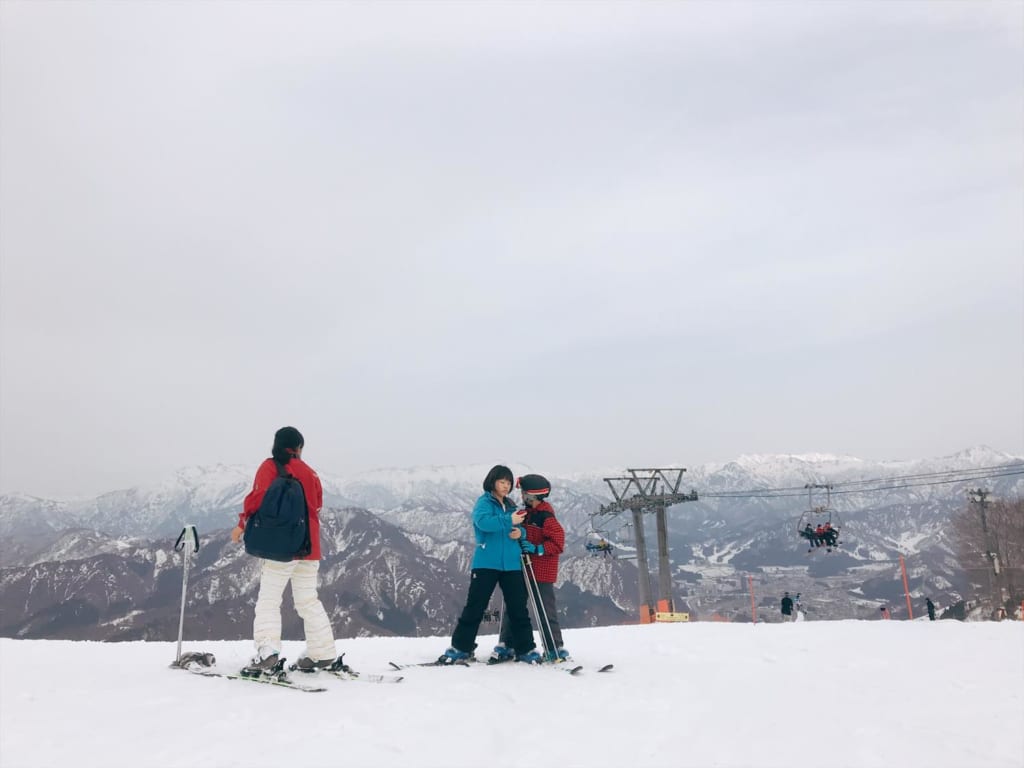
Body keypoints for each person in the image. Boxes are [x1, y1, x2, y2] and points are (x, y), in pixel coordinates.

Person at [231, 426, 337, 672]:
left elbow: (257, 499)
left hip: (281, 547)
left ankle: (268, 652)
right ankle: (322, 653)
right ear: (299, 448)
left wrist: (241, 525)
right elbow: (317, 506)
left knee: (269, 600)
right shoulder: (310, 473)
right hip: (309, 547)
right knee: (308, 600)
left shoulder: (270, 467)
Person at [439, 465, 540, 665]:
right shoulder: (484, 503)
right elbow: (483, 523)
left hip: (512, 564)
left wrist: (521, 533)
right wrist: (508, 519)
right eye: (502, 481)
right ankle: (461, 648)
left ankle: (525, 649)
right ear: (492, 482)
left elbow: (520, 528)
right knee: (476, 606)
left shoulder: (510, 505)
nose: (506, 486)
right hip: (486, 563)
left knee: (518, 609)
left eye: (509, 482)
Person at [492, 474, 567, 662]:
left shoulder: (545, 517)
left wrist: (538, 548)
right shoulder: (527, 514)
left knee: (545, 610)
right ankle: (507, 644)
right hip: (523, 568)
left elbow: (558, 542)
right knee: (514, 606)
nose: (522, 495)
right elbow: (523, 533)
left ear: (532, 495)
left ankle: (554, 647)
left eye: (524, 492)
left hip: (540, 571)